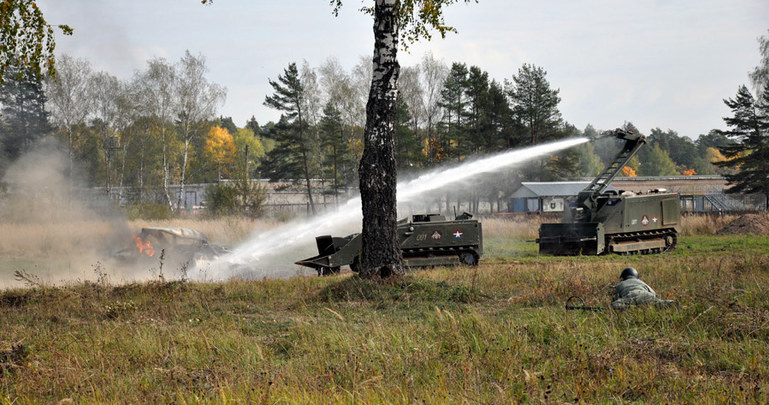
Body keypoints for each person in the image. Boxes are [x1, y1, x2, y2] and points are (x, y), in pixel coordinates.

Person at [611, 267, 675, 310]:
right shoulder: (642, 283)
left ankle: (636, 308)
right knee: (660, 303)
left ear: (622, 278)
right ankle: (672, 303)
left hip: (631, 296)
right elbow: (653, 293)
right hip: (646, 295)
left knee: (614, 305)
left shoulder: (620, 284)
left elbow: (615, 297)